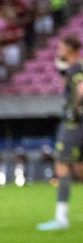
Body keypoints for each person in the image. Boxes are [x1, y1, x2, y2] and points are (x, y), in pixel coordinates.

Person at [38, 36, 83, 230]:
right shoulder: (72, 68)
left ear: (70, 49)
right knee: (80, 168)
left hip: (73, 124)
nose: (58, 50)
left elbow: (81, 89)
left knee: (62, 164)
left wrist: (75, 109)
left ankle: (61, 218)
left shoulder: (76, 69)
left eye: (61, 48)